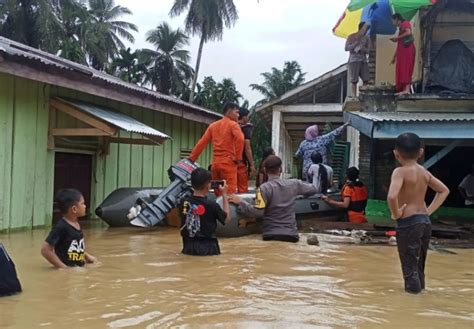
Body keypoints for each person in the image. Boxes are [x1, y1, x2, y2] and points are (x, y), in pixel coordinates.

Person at [387, 132, 449, 294]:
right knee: (418, 266)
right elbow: (444, 191)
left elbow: (392, 196)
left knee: (409, 268)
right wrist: (428, 211)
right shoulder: (424, 172)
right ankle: (421, 296)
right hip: (424, 222)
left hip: (408, 223)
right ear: (420, 152)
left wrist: (395, 213)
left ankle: (412, 302)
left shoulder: (400, 172)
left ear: (396, 153)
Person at [229, 155, 317, 243]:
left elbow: (258, 212)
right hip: (291, 236)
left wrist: (241, 202)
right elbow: (314, 189)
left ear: (264, 170)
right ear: (281, 169)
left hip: (271, 235)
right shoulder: (294, 184)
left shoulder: (263, 189)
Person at [189, 102, 244, 194]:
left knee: (218, 194)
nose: (238, 115)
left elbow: (201, 143)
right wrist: (238, 158)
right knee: (229, 195)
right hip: (228, 164)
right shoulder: (233, 125)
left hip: (215, 165)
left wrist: (191, 159)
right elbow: (240, 139)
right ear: (229, 111)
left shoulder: (213, 126)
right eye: (236, 112)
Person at [179, 168, 231, 256]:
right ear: (208, 185)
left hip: (188, 247)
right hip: (209, 249)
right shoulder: (212, 205)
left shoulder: (183, 202)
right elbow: (227, 220)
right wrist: (224, 195)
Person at [41, 189, 96, 268]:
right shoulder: (61, 227)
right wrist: (64, 268)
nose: (85, 206)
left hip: (78, 269)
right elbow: (45, 250)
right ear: (74, 209)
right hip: (71, 271)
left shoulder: (76, 223)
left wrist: (86, 256)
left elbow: (73, 247)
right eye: (82, 203)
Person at [390, 13, 416, 96]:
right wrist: (394, 57)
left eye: (393, 21)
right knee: (402, 69)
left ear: (397, 19)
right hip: (402, 53)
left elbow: (408, 32)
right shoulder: (400, 29)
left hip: (408, 51)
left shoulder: (405, 23)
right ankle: (404, 88)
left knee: (406, 68)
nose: (392, 23)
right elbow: (399, 45)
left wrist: (397, 38)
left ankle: (407, 89)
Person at [345, 22, 370, 97]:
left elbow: (368, 50)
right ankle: (354, 96)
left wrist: (363, 49)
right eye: (365, 28)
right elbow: (346, 48)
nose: (366, 30)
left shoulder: (366, 38)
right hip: (354, 60)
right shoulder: (351, 36)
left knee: (366, 78)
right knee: (354, 80)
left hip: (363, 60)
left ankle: (365, 95)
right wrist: (355, 44)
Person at [237, 107, 256, 193]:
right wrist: (252, 165)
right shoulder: (246, 129)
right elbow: (247, 148)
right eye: (248, 116)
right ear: (244, 117)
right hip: (240, 162)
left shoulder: (231, 126)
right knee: (242, 189)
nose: (248, 118)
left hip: (228, 161)